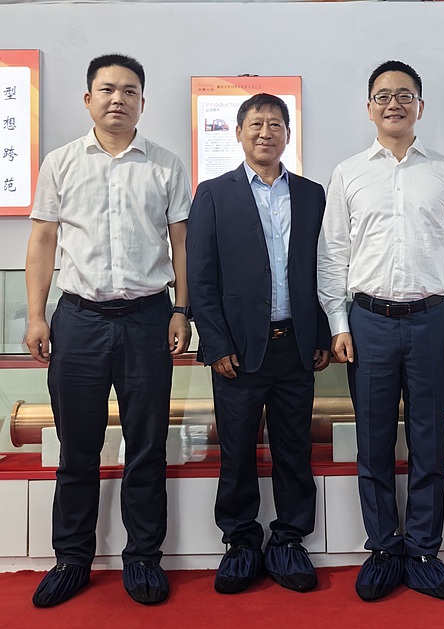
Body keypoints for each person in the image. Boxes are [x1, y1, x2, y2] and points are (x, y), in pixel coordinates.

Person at [24, 53, 192, 607]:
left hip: (148, 319)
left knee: (147, 445)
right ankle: (71, 559)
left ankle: (143, 557)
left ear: (143, 101)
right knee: (77, 447)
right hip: (79, 320)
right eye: (107, 89)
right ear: (88, 98)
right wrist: (36, 314)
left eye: (129, 91)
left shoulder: (166, 165)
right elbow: (43, 240)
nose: (118, 99)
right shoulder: (60, 163)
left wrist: (181, 310)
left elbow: (181, 244)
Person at [317, 60, 444, 601]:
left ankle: (425, 550)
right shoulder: (348, 174)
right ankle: (385, 547)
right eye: (384, 96)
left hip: (433, 321)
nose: (394, 103)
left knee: (429, 441)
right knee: (374, 442)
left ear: (420, 106)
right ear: (369, 108)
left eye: (405, 95)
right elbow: (333, 255)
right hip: (368, 323)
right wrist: (338, 323)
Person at [187, 93, 331, 595]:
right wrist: (215, 342)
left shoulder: (312, 195)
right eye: (256, 124)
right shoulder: (213, 194)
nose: (266, 132)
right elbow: (201, 277)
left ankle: (289, 539)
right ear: (238, 132)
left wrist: (322, 334)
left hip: (296, 345)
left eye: (275, 124)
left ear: (288, 134)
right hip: (237, 351)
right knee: (236, 451)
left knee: (294, 449)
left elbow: (325, 269)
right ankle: (241, 541)